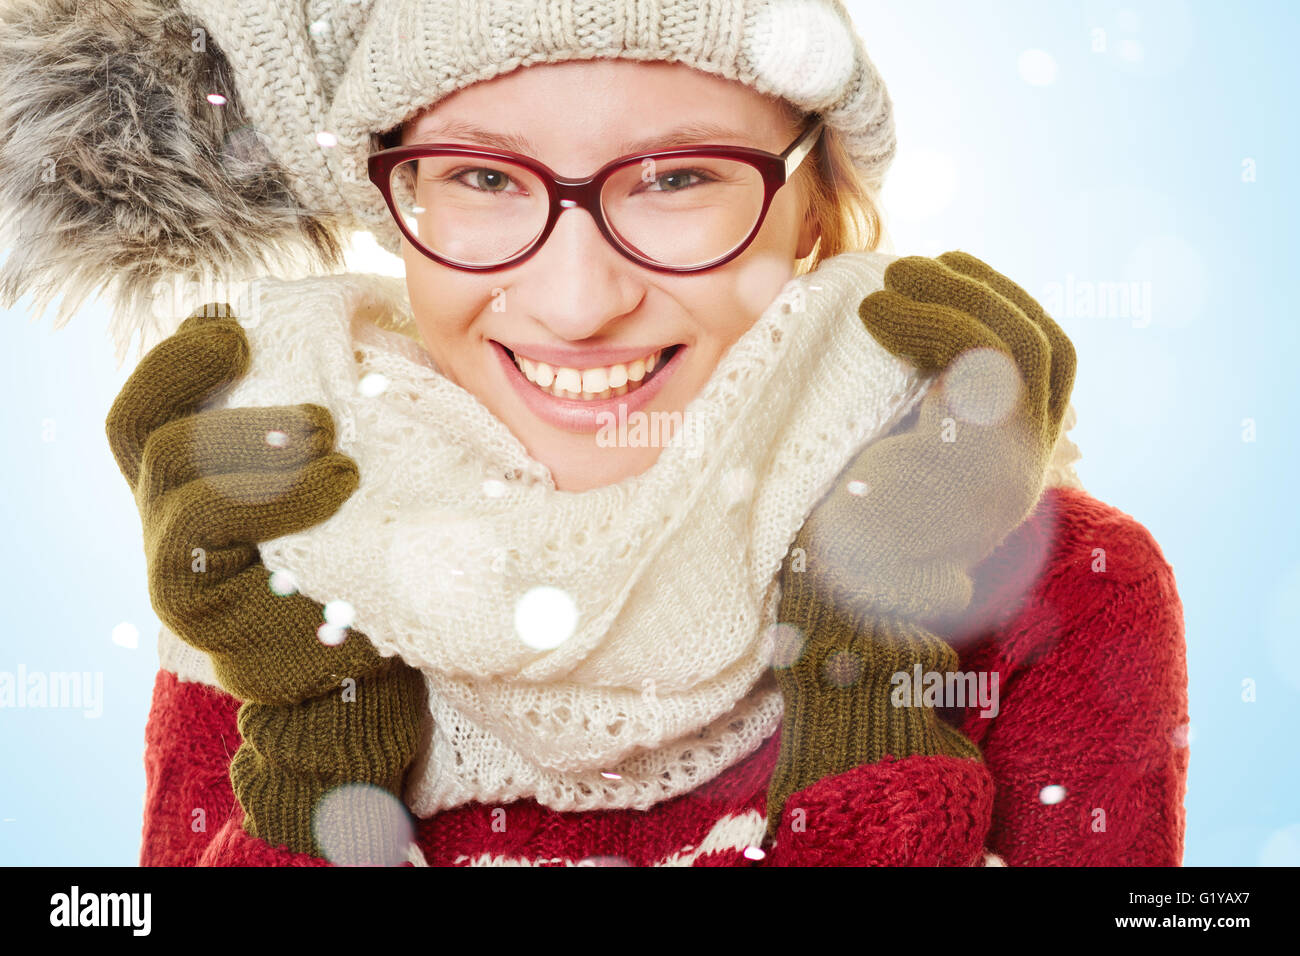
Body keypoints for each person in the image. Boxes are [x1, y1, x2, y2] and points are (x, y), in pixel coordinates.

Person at [0, 0, 1188, 866]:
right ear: (394, 207)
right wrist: (318, 762)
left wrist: (861, 679)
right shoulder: (288, 565)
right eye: (480, 180)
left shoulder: (1060, 589)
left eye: (676, 180)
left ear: (816, 203)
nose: (578, 299)